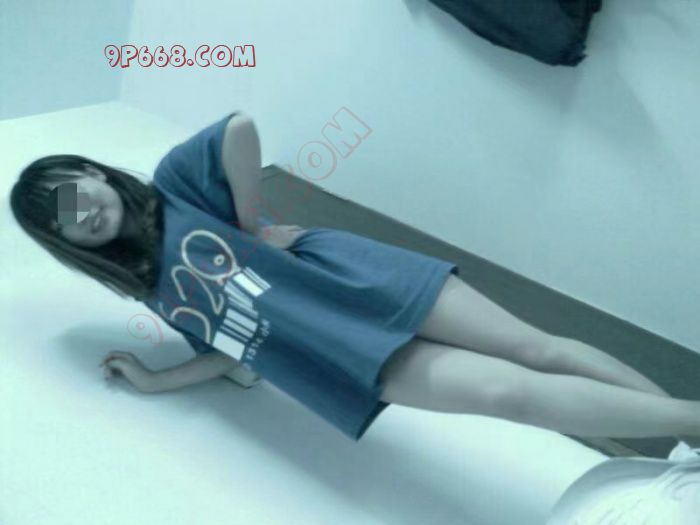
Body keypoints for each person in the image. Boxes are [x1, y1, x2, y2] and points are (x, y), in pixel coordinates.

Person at [9, 112, 700, 451]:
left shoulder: (176, 185)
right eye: (64, 223)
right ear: (68, 244)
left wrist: (247, 224)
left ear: (92, 172)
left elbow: (238, 128)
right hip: (335, 351)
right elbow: (230, 353)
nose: (82, 214)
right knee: (511, 396)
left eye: (72, 194)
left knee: (536, 349)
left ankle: (691, 434)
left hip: (356, 276)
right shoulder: (155, 290)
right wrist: (154, 380)